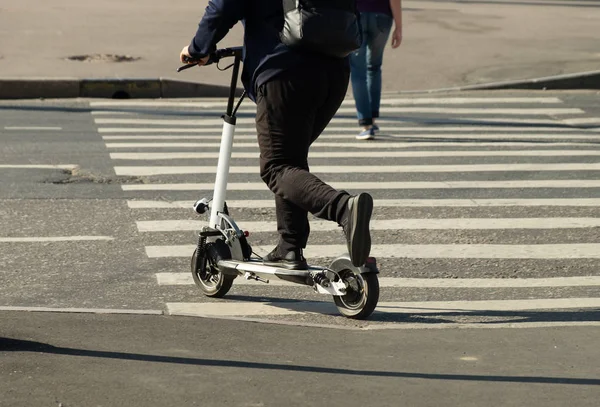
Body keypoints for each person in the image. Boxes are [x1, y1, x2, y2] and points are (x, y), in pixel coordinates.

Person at [180, 0, 374, 270]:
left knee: (277, 166)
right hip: (335, 72)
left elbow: (224, 6)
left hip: (284, 70)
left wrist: (198, 48)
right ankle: (289, 247)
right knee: (290, 161)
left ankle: (343, 208)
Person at [350, 0, 403, 140]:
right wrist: (399, 27)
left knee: (357, 71)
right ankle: (372, 120)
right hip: (382, 17)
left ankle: (365, 124)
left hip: (356, 16)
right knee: (374, 67)